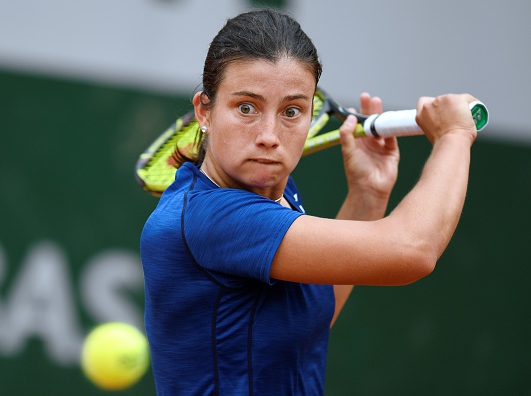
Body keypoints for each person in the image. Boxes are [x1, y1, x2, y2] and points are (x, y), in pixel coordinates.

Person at [140, 8, 478, 395]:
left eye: (291, 111)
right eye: (246, 107)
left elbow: (301, 318)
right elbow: (414, 250)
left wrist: (368, 196)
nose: (269, 135)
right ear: (204, 110)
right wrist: (454, 136)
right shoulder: (213, 216)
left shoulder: (275, 193)